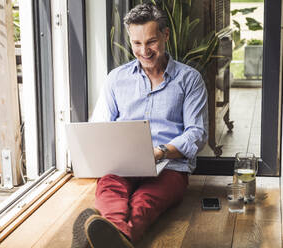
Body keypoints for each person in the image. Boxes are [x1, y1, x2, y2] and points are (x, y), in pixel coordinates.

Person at [71, 3, 208, 248]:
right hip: (122, 163)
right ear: (130, 40)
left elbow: (197, 134)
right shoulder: (116, 79)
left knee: (145, 201)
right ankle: (118, 239)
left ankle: (97, 240)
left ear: (165, 36)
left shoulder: (190, 80)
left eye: (151, 42)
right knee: (109, 190)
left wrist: (161, 151)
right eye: (137, 43)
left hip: (169, 165)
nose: (144, 51)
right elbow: (99, 126)